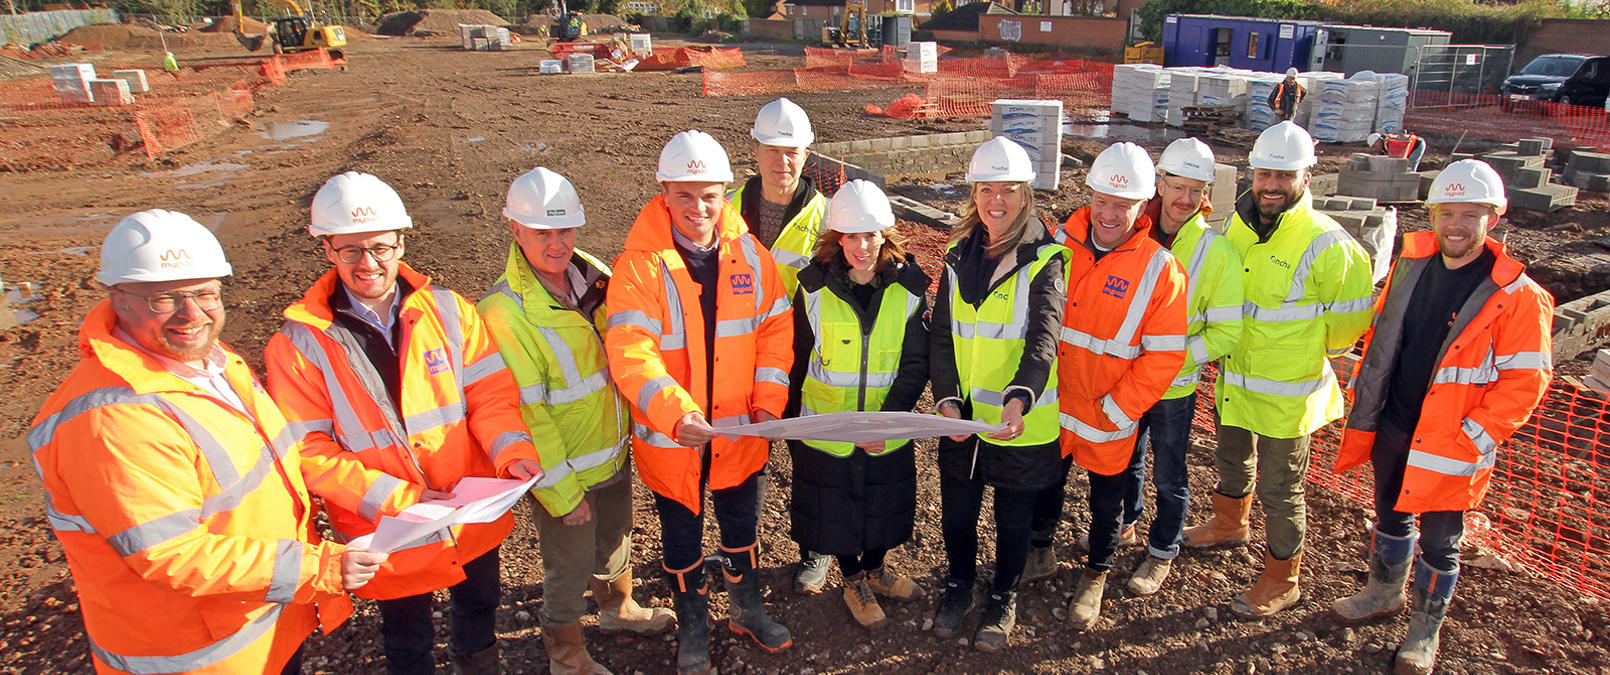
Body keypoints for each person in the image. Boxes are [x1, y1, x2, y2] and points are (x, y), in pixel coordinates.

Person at [30, 210, 387, 674]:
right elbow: (171, 555)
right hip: (198, 654)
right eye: (165, 299)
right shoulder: (114, 419)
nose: (192, 315)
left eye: (205, 293)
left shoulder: (209, 363)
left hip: (256, 620)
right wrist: (319, 567)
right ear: (118, 299)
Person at [264, 172, 545, 674]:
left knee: (479, 605)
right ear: (327, 249)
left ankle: (479, 664)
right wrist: (406, 502)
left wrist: (514, 454)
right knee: (407, 634)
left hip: (468, 507)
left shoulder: (449, 311)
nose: (367, 264)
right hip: (387, 524)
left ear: (400, 242)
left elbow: (491, 395)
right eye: (350, 251)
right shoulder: (299, 344)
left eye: (379, 248)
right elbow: (308, 451)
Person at [1330, 160, 1553, 675]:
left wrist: (1473, 437)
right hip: (1395, 424)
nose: (1455, 225)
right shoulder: (1412, 265)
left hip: (1452, 442)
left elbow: (1525, 384)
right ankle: (1383, 594)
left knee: (1441, 540)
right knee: (1390, 512)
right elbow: (1386, 341)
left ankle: (1424, 632)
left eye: (1470, 215)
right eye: (1446, 212)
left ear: (1494, 218)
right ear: (1432, 213)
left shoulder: (1517, 297)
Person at [605, 130, 795, 674]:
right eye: (685, 194)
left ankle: (745, 610)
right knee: (682, 534)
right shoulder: (639, 266)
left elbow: (775, 332)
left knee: (742, 527)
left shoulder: (751, 256)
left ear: (726, 195)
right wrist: (674, 411)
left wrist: (768, 403)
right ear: (664, 192)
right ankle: (692, 622)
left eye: (709, 194)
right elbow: (631, 351)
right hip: (676, 436)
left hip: (740, 431)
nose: (698, 207)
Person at [477, 167, 675, 674]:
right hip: (563, 470)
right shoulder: (506, 312)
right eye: (543, 232)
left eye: (564, 230)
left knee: (615, 537)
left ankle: (616, 609)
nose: (556, 243)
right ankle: (566, 655)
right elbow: (526, 411)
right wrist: (562, 492)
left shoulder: (592, 273)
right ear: (515, 230)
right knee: (567, 566)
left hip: (611, 449)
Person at [1182, 120, 1374, 618]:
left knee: (1281, 489)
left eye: (1284, 176)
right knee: (1230, 461)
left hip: (1289, 395)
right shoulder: (1235, 229)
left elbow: (1345, 332)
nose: (1271, 185)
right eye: (1264, 173)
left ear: (1307, 176)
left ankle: (1282, 577)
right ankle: (1229, 524)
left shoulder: (1331, 245)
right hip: (1234, 381)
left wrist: (1294, 351)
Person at [930, 137, 1068, 651]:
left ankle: (1004, 595)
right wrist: (946, 397)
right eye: (986, 189)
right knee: (958, 516)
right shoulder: (955, 255)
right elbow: (942, 333)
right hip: (965, 419)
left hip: (1018, 421)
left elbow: (1044, 335)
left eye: (1008, 190)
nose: (996, 201)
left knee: (1013, 523)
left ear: (1025, 193)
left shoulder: (1044, 257)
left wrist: (1021, 396)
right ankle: (959, 584)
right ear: (973, 193)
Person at [1049, 142, 1188, 630]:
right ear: (1089, 195)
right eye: (1103, 200)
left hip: (1106, 411)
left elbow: (1165, 354)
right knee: (1046, 486)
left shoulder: (1159, 268)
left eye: (1123, 205)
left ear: (1142, 206)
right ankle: (1040, 554)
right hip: (1053, 403)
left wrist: (1119, 409)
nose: (1110, 214)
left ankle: (1096, 576)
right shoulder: (1058, 242)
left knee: (1108, 502)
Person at [785, 180, 930, 630]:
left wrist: (887, 422)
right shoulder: (811, 289)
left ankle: (876, 569)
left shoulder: (908, 290)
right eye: (851, 236)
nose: (862, 247)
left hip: (885, 427)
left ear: (885, 235)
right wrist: (792, 425)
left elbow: (915, 362)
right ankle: (852, 578)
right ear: (837, 239)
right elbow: (796, 357)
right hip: (828, 431)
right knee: (837, 508)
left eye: (871, 236)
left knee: (884, 502)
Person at [1119, 138, 1245, 596]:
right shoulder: (1134, 236)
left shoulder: (1218, 252)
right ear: (1160, 183)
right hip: (1125, 379)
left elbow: (1227, 332)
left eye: (1196, 190)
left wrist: (1169, 359)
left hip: (1173, 387)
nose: (1185, 199)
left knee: (1170, 473)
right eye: (1177, 186)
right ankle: (1127, 525)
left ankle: (1163, 551)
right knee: (1126, 462)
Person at [726, 97, 833, 595]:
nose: (781, 161)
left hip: (805, 360)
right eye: (772, 149)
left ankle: (815, 548)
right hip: (740, 359)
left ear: (806, 155)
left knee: (809, 456)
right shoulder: (725, 211)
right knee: (748, 454)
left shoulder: (827, 217)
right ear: (755, 150)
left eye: (791, 151)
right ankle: (743, 545)